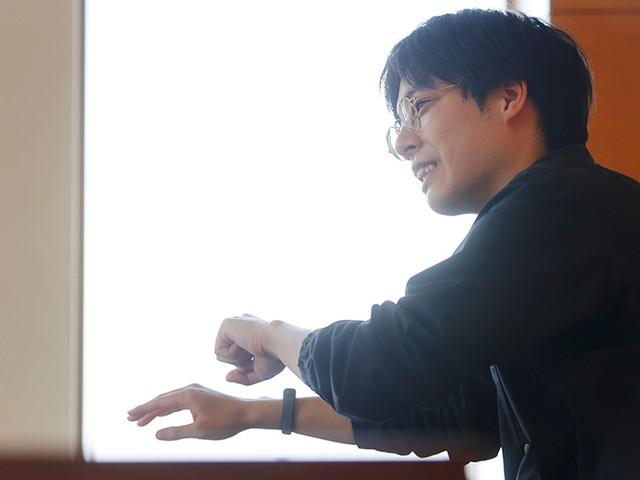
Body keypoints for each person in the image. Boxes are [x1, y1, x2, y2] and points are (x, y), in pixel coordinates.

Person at [127, 9, 640, 480]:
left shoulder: (559, 206)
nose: (403, 141)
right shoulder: (570, 216)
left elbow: (384, 363)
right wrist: (251, 413)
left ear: (508, 96)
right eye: (400, 121)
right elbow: (460, 415)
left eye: (420, 106)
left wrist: (271, 334)